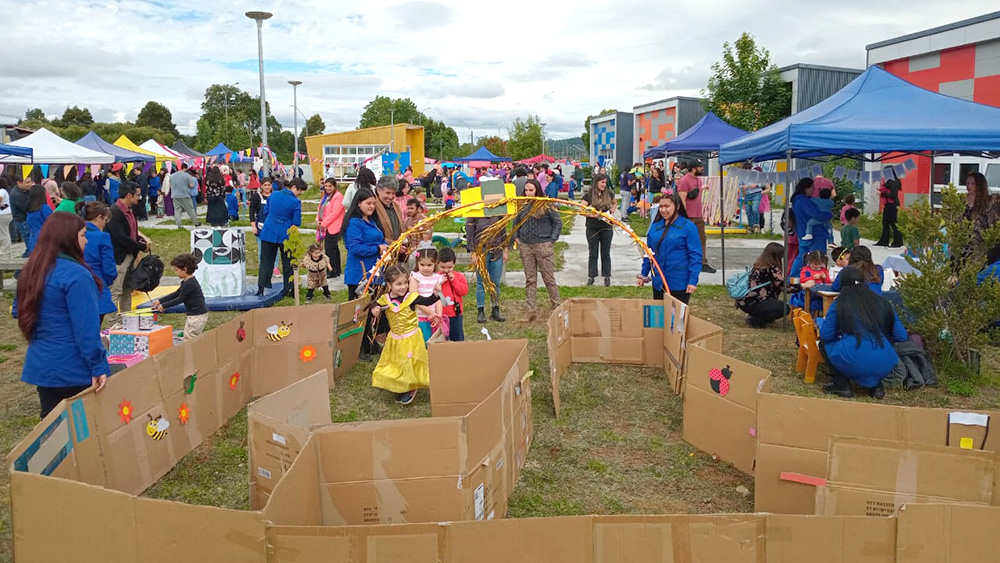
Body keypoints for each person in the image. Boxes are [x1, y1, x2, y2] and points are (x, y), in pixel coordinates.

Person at [17, 212, 109, 418]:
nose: (86, 241)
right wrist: (98, 365)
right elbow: (86, 328)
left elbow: (18, 310)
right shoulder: (77, 275)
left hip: (42, 363)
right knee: (82, 429)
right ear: (68, 238)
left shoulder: (32, 270)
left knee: (52, 429)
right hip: (73, 366)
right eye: (83, 235)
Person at [819, 267, 908, 399]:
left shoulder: (840, 303)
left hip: (852, 356)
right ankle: (876, 387)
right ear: (864, 281)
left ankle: (841, 385)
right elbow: (901, 336)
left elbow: (826, 335)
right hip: (886, 361)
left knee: (823, 344)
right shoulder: (883, 302)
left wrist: (820, 322)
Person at [370, 265, 431, 405]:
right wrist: (375, 309)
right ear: (390, 285)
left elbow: (427, 301)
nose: (403, 287)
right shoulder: (385, 299)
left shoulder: (411, 298)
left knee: (409, 362)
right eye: (398, 284)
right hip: (395, 339)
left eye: (405, 283)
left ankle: (410, 387)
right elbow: (372, 304)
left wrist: (436, 294)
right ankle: (400, 383)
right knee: (397, 362)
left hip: (411, 338)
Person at [638, 191, 702, 303]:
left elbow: (695, 255)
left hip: (679, 281)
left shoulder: (688, 227)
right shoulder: (655, 227)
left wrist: (693, 280)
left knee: (676, 317)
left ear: (677, 206)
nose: (663, 210)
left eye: (667, 206)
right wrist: (643, 274)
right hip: (659, 281)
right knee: (659, 316)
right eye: (661, 206)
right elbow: (649, 253)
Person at [513, 179, 562, 321]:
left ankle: (557, 307)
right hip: (526, 246)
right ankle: (531, 310)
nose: (528, 193)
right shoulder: (522, 206)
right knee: (530, 279)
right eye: (526, 190)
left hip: (543, 245)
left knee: (548, 278)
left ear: (537, 190)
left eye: (531, 190)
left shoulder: (546, 205)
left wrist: (552, 240)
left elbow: (557, 223)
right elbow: (515, 224)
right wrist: (517, 238)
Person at [256, 180, 305, 297]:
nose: (299, 195)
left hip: (269, 232)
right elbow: (297, 222)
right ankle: (289, 289)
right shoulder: (295, 202)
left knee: (266, 262)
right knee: (288, 263)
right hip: (286, 236)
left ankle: (261, 288)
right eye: (300, 192)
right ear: (294, 187)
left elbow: (266, 211)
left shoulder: (274, 195)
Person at [107, 182, 150, 314]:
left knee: (127, 290)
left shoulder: (129, 211)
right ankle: (113, 323)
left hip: (130, 255)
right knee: (116, 291)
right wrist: (141, 246)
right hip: (119, 257)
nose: (139, 197)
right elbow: (120, 237)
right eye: (137, 195)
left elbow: (131, 232)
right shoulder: (114, 212)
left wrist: (140, 242)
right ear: (129, 195)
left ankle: (126, 319)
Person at [342, 187, 387, 300]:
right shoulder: (354, 223)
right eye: (368, 203)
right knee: (359, 312)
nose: (372, 206)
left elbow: (380, 239)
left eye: (374, 203)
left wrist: (389, 247)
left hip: (375, 273)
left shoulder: (373, 221)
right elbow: (355, 247)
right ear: (358, 203)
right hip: (359, 274)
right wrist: (377, 249)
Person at [152, 254, 209, 341]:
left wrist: (164, 306)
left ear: (185, 269)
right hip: (194, 315)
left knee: (190, 339)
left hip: (197, 317)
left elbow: (180, 299)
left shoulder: (190, 284)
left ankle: (193, 353)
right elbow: (176, 293)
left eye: (176, 270)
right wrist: (160, 301)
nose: (175, 272)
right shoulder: (187, 282)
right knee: (189, 336)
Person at [78, 201, 117, 324]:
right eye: (105, 221)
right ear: (99, 217)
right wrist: (107, 281)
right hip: (97, 284)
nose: (105, 225)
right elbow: (109, 268)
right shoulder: (102, 237)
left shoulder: (73, 233)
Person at [736, 242, 792, 327]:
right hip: (756, 301)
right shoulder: (772, 268)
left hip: (745, 301)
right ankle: (757, 320)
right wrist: (802, 286)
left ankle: (758, 315)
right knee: (784, 308)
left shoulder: (759, 264)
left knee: (773, 304)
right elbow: (784, 286)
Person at [466, 213, 507, 324]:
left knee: (495, 282)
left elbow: (503, 231)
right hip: (481, 252)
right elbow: (469, 234)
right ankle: (481, 311)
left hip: (496, 251)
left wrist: (505, 249)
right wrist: (473, 253)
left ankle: (495, 309)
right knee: (481, 282)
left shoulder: (498, 213)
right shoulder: (474, 213)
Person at [788, 178, 833, 277]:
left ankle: (792, 279)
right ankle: (818, 279)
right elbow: (817, 214)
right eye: (812, 188)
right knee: (818, 258)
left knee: (801, 258)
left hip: (802, 233)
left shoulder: (797, 201)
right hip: (816, 234)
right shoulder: (805, 202)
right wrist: (829, 215)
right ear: (806, 188)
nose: (814, 190)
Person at [677, 160, 715, 273]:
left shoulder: (698, 180)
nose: (702, 168)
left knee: (702, 239)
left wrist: (703, 187)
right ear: (694, 169)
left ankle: (703, 262)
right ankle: (685, 262)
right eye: (700, 167)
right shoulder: (684, 180)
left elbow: (695, 193)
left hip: (698, 215)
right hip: (689, 216)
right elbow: (682, 198)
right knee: (686, 240)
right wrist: (685, 215)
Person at [581, 172, 615, 286]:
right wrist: (593, 215)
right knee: (593, 252)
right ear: (596, 183)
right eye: (602, 182)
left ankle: (607, 276)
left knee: (606, 253)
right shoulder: (589, 195)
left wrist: (611, 212)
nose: (604, 185)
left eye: (605, 182)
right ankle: (591, 276)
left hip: (606, 227)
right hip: (592, 228)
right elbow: (582, 210)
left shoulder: (609, 194)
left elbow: (614, 203)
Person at [962, 171, 1000, 265]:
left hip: (981, 245)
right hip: (964, 243)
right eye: (967, 183)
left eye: (972, 183)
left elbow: (993, 222)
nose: (969, 186)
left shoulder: (988, 202)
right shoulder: (962, 201)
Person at [410, 247, 445, 341]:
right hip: (420, 316)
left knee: (434, 342)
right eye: (422, 265)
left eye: (429, 265)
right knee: (423, 341)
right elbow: (414, 299)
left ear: (435, 263)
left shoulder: (437, 278)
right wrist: (431, 313)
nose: (425, 268)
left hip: (434, 317)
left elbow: (438, 298)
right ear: (417, 263)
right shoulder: (415, 277)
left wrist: (439, 315)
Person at [437, 247, 468, 342]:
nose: (446, 270)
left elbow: (464, 291)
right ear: (437, 264)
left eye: (449, 267)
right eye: (442, 267)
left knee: (457, 338)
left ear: (454, 264)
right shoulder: (436, 277)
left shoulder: (459, 277)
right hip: (441, 315)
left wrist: (454, 281)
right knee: (441, 339)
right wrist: (439, 284)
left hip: (455, 314)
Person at [317, 177, 345, 279]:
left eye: (330, 186)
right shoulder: (326, 197)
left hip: (334, 226)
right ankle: (336, 270)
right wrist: (318, 220)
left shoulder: (338, 197)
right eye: (326, 186)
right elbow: (320, 208)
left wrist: (324, 223)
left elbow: (336, 213)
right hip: (325, 226)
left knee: (330, 249)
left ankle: (332, 270)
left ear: (334, 186)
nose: (328, 188)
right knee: (333, 249)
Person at [373, 175, 402, 244]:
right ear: (378, 190)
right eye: (388, 193)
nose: (390, 197)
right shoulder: (373, 206)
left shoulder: (396, 206)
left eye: (393, 193)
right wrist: (393, 244)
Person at [875, 177, 903, 247]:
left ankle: (898, 241)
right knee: (885, 222)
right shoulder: (889, 181)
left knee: (893, 223)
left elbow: (893, 195)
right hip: (888, 204)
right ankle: (884, 241)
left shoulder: (894, 182)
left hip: (893, 204)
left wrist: (881, 194)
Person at [25, 185, 53, 255]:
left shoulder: (29, 209)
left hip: (33, 239)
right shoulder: (45, 208)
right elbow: (52, 222)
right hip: (45, 238)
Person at [10, 175, 32, 253]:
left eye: (30, 182)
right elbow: (26, 208)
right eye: (27, 182)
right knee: (28, 236)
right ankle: (30, 252)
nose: (30, 184)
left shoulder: (25, 191)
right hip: (22, 219)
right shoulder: (17, 195)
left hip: (26, 218)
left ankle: (28, 252)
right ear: (19, 183)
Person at [738, 163, 762, 232]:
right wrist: (743, 186)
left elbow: (762, 182)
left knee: (755, 209)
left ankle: (756, 224)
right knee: (748, 210)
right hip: (748, 195)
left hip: (756, 194)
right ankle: (750, 226)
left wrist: (756, 184)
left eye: (749, 170)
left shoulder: (756, 174)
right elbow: (740, 185)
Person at [0, 178, 10, 252]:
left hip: (3, 214)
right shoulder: (5, 191)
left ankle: (5, 249)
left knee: (4, 232)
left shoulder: (2, 191)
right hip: (6, 213)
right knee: (4, 231)